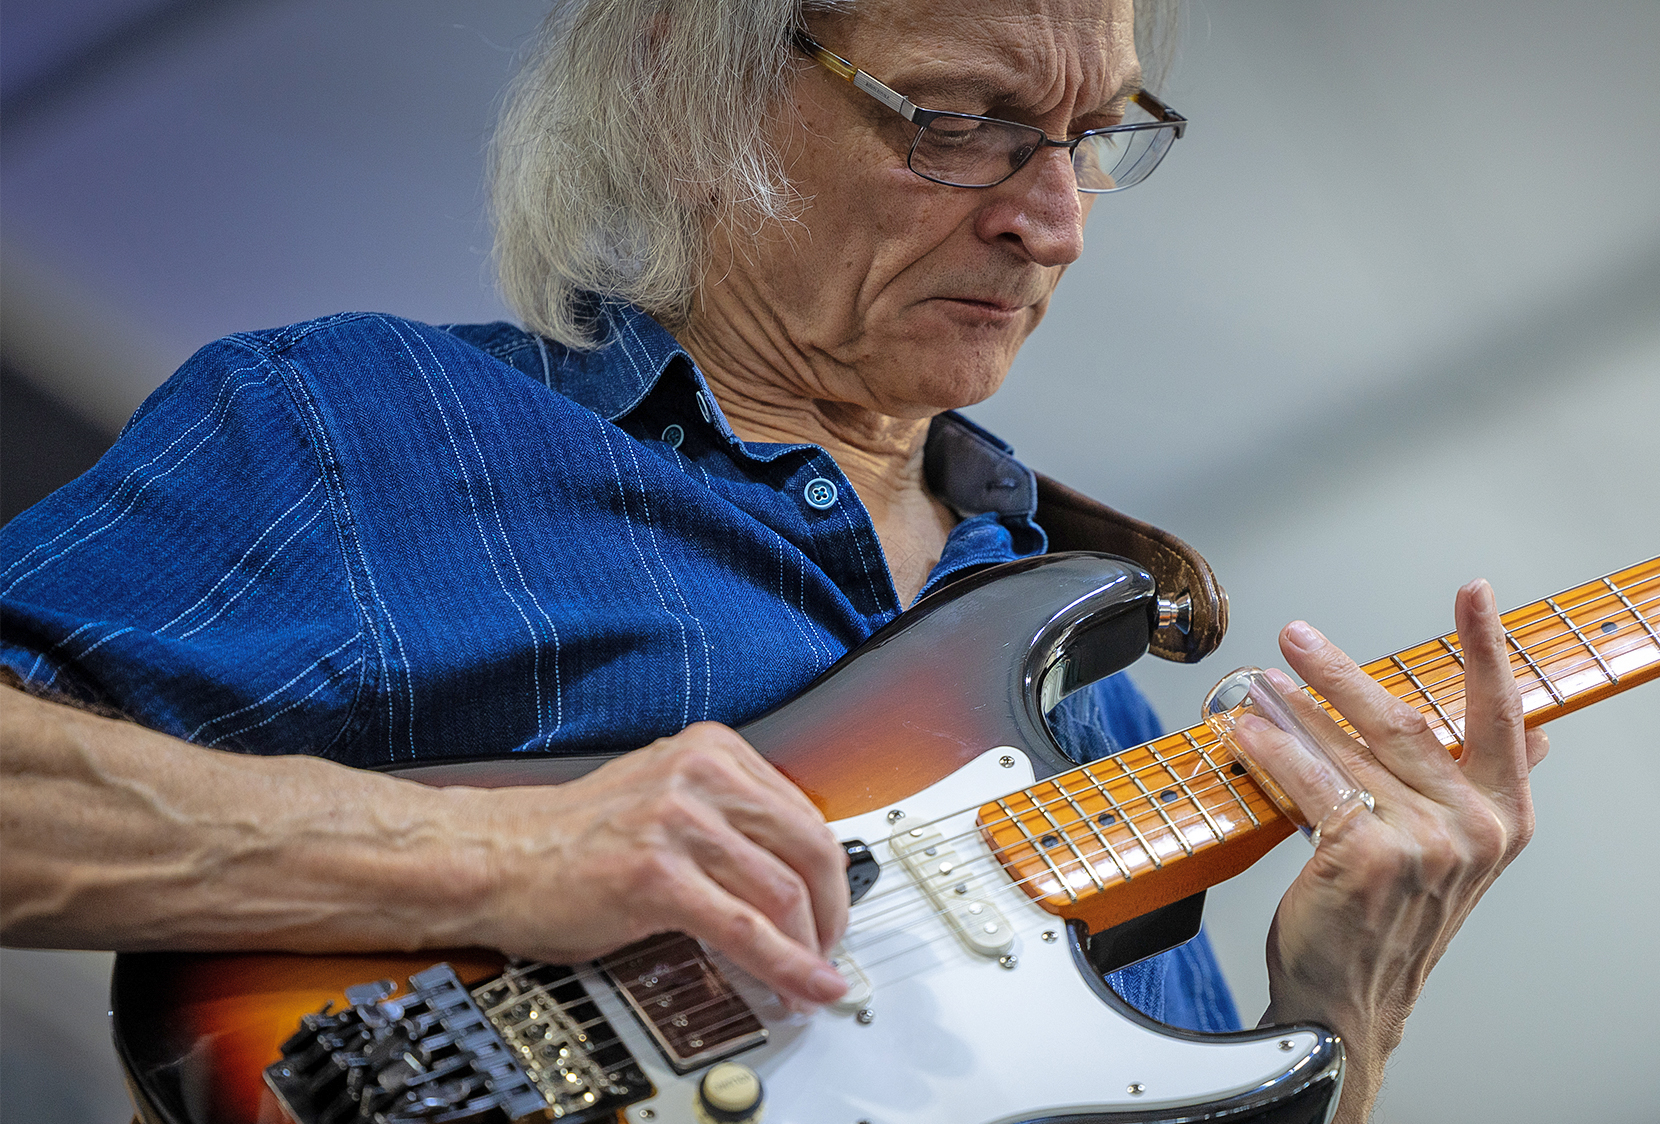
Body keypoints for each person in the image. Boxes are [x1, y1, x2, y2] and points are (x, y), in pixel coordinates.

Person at [0, 1, 1545, 1118]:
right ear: (697, 83)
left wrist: (1345, 1020)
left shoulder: (1099, 724)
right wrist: (496, 859)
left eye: (1091, 138)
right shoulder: (374, 424)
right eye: (967, 120)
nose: (1056, 220)